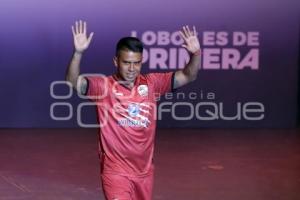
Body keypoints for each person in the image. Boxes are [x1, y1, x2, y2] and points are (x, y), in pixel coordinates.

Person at [66, 20, 201, 200]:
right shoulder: (103, 86)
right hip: (115, 172)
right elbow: (72, 81)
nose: (131, 69)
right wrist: (78, 53)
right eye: (126, 63)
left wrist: (196, 54)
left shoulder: (152, 84)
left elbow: (188, 75)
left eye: (136, 63)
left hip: (144, 173)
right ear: (116, 61)